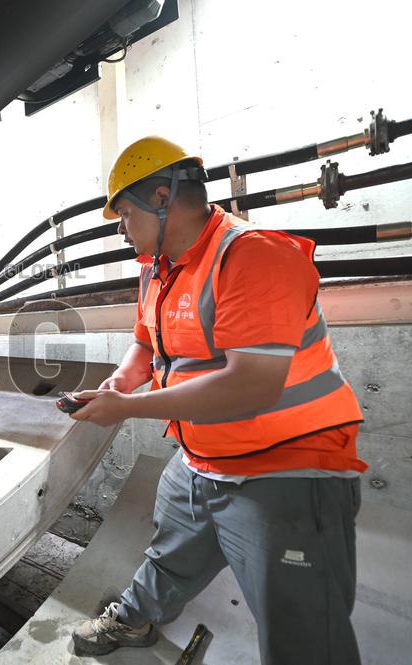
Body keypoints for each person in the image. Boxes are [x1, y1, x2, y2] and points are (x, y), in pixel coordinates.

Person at [67, 137, 366, 665]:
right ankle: (135, 619)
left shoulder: (254, 256)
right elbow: (146, 343)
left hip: (287, 471)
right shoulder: (158, 268)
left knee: (301, 627)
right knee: (168, 555)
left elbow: (251, 384)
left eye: (125, 214)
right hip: (202, 461)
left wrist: (128, 410)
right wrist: (116, 387)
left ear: (163, 197)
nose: (120, 228)